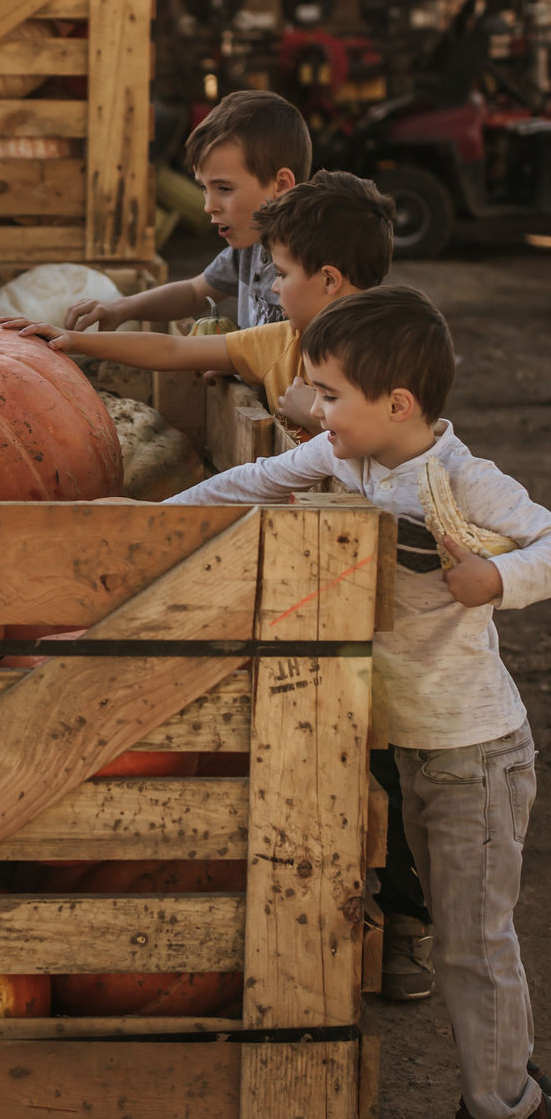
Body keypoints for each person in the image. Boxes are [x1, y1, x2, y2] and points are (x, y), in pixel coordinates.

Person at [159, 284, 551, 1119]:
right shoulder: (346, 458)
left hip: (474, 753)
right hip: (402, 743)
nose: (312, 407)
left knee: (473, 943)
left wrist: (496, 578)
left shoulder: (464, 478)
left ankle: (505, 1102)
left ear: (397, 404)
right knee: (439, 925)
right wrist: (147, 522)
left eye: (329, 394)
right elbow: (255, 479)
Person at [2, 170, 394, 440]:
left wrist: (314, 414)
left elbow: (398, 443)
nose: (273, 287)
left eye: (282, 274)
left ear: (329, 279)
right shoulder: (281, 341)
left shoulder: (392, 353)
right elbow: (172, 349)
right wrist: (73, 340)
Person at [64, 89, 312, 334]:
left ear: (281, 185)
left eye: (224, 188)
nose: (208, 206)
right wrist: (121, 308)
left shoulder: (312, 265)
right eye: (204, 188)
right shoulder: (250, 248)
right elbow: (194, 292)